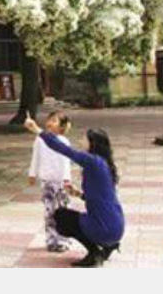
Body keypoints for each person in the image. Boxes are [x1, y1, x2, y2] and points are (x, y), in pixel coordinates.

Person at [23, 112, 125, 267]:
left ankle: (94, 252)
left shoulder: (92, 161)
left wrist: (36, 129)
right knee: (72, 217)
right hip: (116, 228)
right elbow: (101, 196)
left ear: (93, 143)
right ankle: (108, 246)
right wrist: (79, 194)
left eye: (84, 138)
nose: (81, 140)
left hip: (104, 228)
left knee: (61, 217)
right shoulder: (104, 164)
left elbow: (62, 149)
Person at [28, 110, 72, 252]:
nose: (49, 123)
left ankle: (64, 240)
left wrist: (67, 179)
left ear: (62, 126)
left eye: (54, 120)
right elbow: (36, 157)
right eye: (49, 120)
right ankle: (51, 240)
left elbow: (66, 162)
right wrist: (32, 173)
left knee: (63, 211)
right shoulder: (40, 140)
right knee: (49, 212)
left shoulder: (64, 142)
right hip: (47, 181)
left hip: (61, 182)